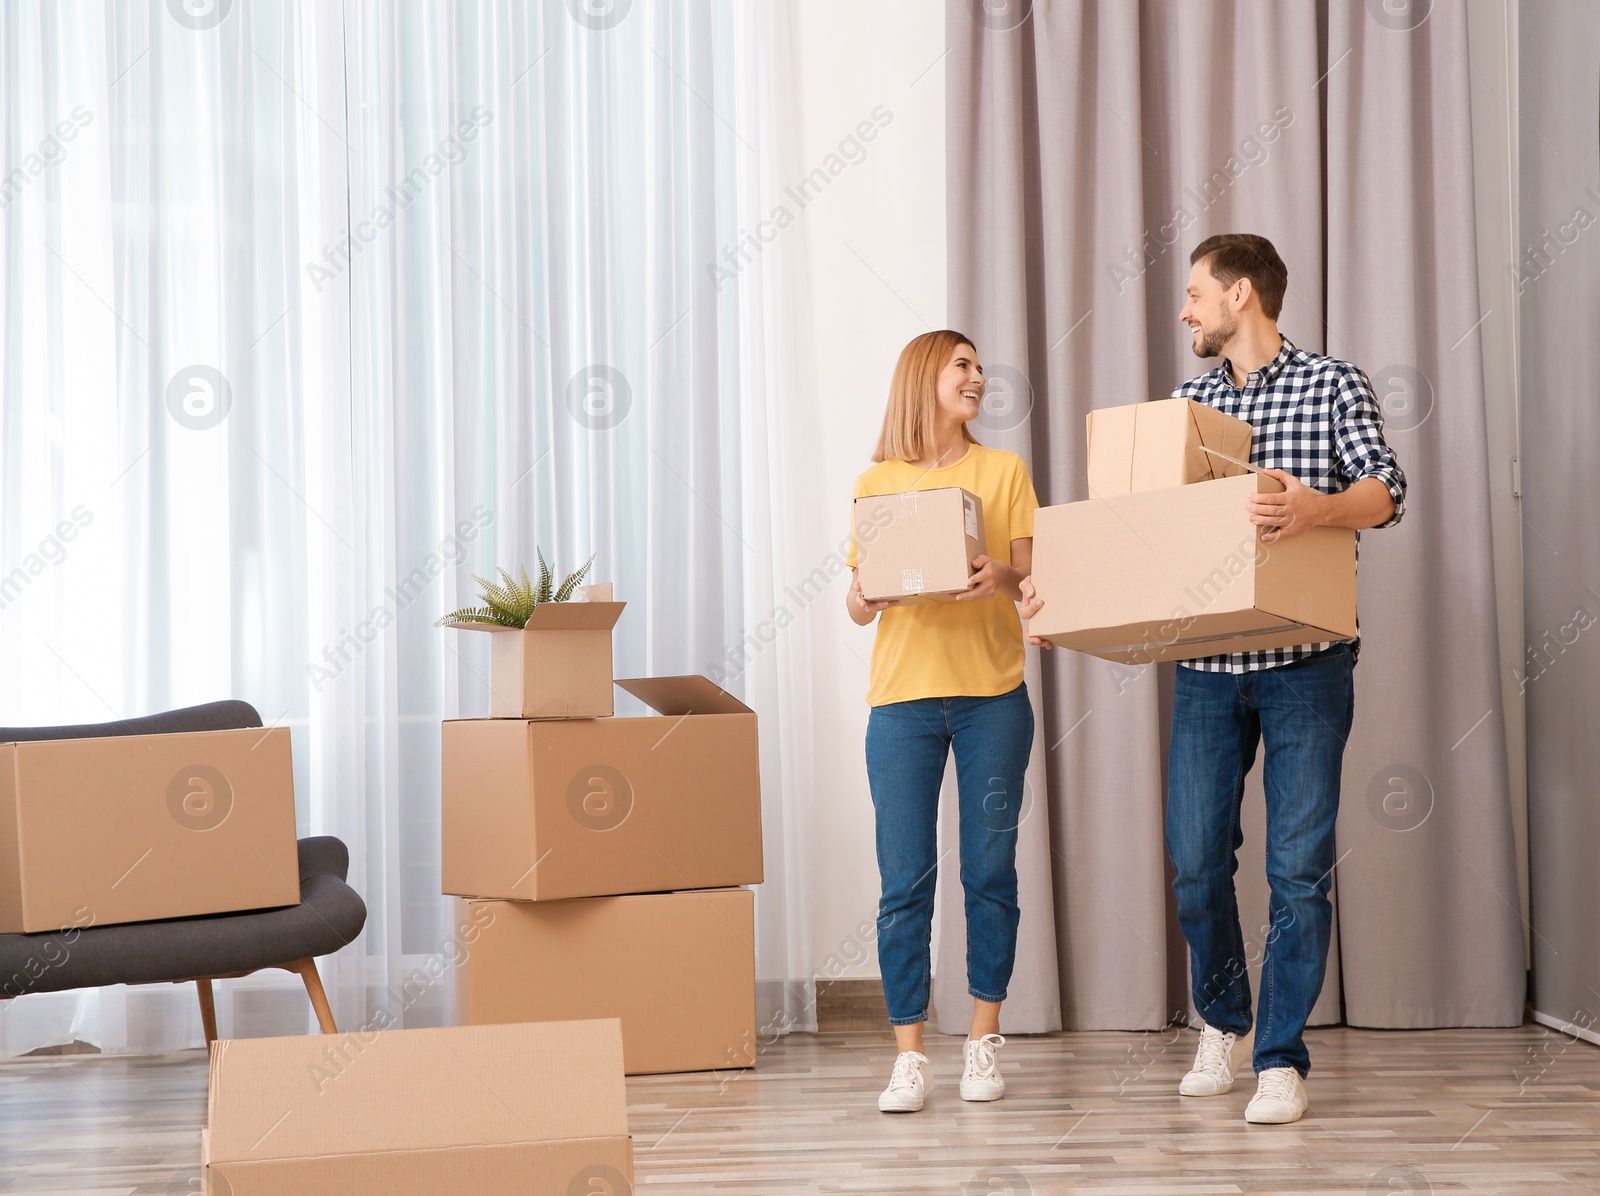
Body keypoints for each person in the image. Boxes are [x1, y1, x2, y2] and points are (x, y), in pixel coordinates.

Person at [1020, 233, 1407, 1124]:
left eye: (1196, 294)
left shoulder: (1331, 383)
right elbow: (1134, 539)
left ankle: (1279, 1058)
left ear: (1241, 296)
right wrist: (1062, 595)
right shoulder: (1184, 406)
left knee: (1298, 868)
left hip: (1308, 662)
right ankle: (1224, 1024)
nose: (1185, 311)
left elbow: (1387, 490)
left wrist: (1316, 506)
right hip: (1207, 667)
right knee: (1196, 864)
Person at [847, 329, 1040, 1113]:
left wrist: (1000, 574)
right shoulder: (876, 481)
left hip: (993, 696)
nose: (978, 377)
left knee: (989, 871)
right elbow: (856, 605)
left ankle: (983, 1040)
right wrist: (873, 593)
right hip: (902, 704)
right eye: (963, 365)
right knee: (905, 881)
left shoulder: (1003, 472)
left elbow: (1032, 582)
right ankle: (909, 1054)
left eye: (980, 368)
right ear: (925, 376)